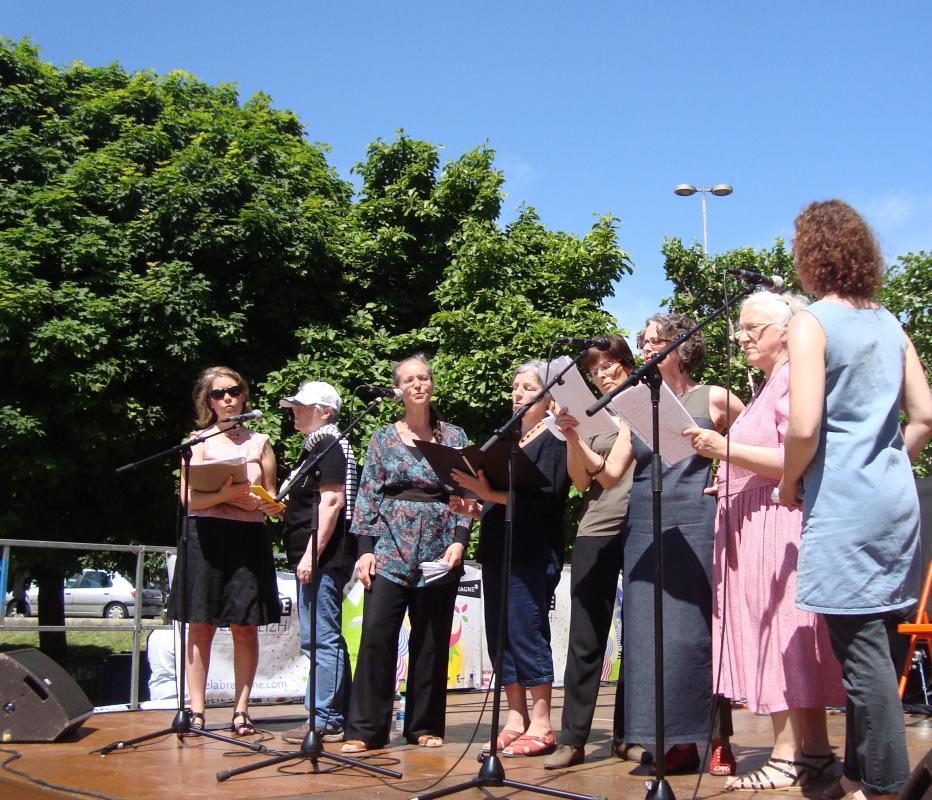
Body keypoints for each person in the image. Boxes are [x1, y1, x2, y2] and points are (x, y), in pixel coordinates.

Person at [778, 200, 932, 800]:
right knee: (874, 638)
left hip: (844, 505)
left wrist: (791, 480)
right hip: (894, 503)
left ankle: (892, 787)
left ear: (812, 253)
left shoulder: (812, 322)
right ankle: (855, 775)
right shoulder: (889, 322)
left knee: (861, 651)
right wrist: (890, 460)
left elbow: (803, 426)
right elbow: (924, 415)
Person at [684, 292, 845, 791]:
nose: (742, 335)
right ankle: (813, 754)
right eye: (740, 327)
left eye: (753, 326)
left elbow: (800, 453)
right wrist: (731, 474)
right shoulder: (772, 381)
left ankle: (785, 754)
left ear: (786, 329)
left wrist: (723, 448)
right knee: (783, 636)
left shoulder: (795, 374)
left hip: (775, 527)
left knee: (782, 635)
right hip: (755, 522)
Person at [616, 314, 744, 774]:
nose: (648, 347)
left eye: (657, 340)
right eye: (644, 340)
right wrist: (570, 432)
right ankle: (669, 741)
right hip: (646, 524)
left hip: (695, 517)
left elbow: (757, 441)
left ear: (681, 345)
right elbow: (610, 471)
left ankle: (716, 738)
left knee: (696, 635)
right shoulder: (636, 401)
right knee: (650, 637)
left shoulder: (712, 395)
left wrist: (728, 478)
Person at [341, 354, 473, 753]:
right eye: (410, 379)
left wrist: (459, 540)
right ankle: (365, 730)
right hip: (389, 548)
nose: (419, 384)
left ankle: (424, 725)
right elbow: (366, 495)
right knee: (377, 638)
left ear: (432, 385)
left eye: (424, 377)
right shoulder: (382, 438)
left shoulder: (454, 437)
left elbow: (465, 493)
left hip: (439, 548)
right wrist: (364, 550)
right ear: (398, 389)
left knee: (432, 642)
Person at [453, 360, 570, 758]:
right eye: (514, 387)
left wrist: (491, 497)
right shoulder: (511, 439)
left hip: (532, 551)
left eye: (527, 387)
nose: (517, 393)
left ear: (549, 395)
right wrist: (478, 507)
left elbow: (548, 498)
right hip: (499, 547)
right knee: (500, 633)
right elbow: (503, 498)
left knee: (526, 630)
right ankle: (515, 717)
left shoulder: (555, 437)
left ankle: (542, 722)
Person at [167, 366, 281, 735]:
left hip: (246, 538)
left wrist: (262, 504)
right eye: (219, 394)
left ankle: (241, 710)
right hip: (203, 538)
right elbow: (187, 498)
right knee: (199, 626)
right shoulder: (195, 442)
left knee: (244, 627)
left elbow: (272, 497)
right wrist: (227, 495)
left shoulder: (260, 442)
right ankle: (197, 710)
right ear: (209, 401)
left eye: (234, 391)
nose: (228, 398)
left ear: (244, 395)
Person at [544, 335, 640, 768]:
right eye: (595, 369)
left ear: (626, 362)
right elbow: (583, 482)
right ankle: (572, 739)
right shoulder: (591, 412)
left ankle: (628, 735)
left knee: (638, 639)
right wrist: (571, 433)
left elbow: (613, 471)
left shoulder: (644, 404)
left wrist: (581, 436)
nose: (603, 374)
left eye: (610, 365)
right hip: (596, 528)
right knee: (586, 639)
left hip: (640, 528)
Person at [276, 381, 358, 744]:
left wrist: (311, 554)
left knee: (321, 638)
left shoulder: (328, 445)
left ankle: (326, 717)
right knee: (319, 638)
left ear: (325, 411)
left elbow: (332, 503)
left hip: (325, 558)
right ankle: (326, 712)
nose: (294, 410)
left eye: (302, 406)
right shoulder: (315, 447)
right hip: (317, 556)